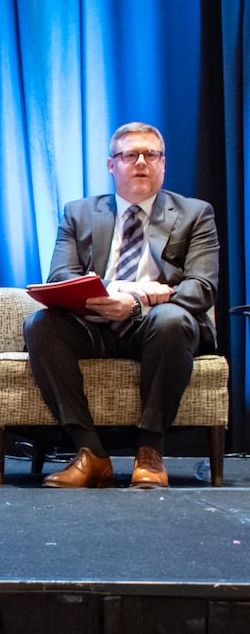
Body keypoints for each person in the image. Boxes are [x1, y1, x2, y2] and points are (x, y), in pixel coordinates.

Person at [24, 122, 220, 489]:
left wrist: (137, 300)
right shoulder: (79, 212)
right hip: (95, 323)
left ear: (164, 164)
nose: (141, 162)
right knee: (41, 324)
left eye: (151, 154)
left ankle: (150, 450)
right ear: (111, 165)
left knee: (172, 320)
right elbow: (59, 276)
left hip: (158, 326)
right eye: (130, 154)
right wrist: (117, 287)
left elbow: (203, 287)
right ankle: (90, 452)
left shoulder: (195, 214)